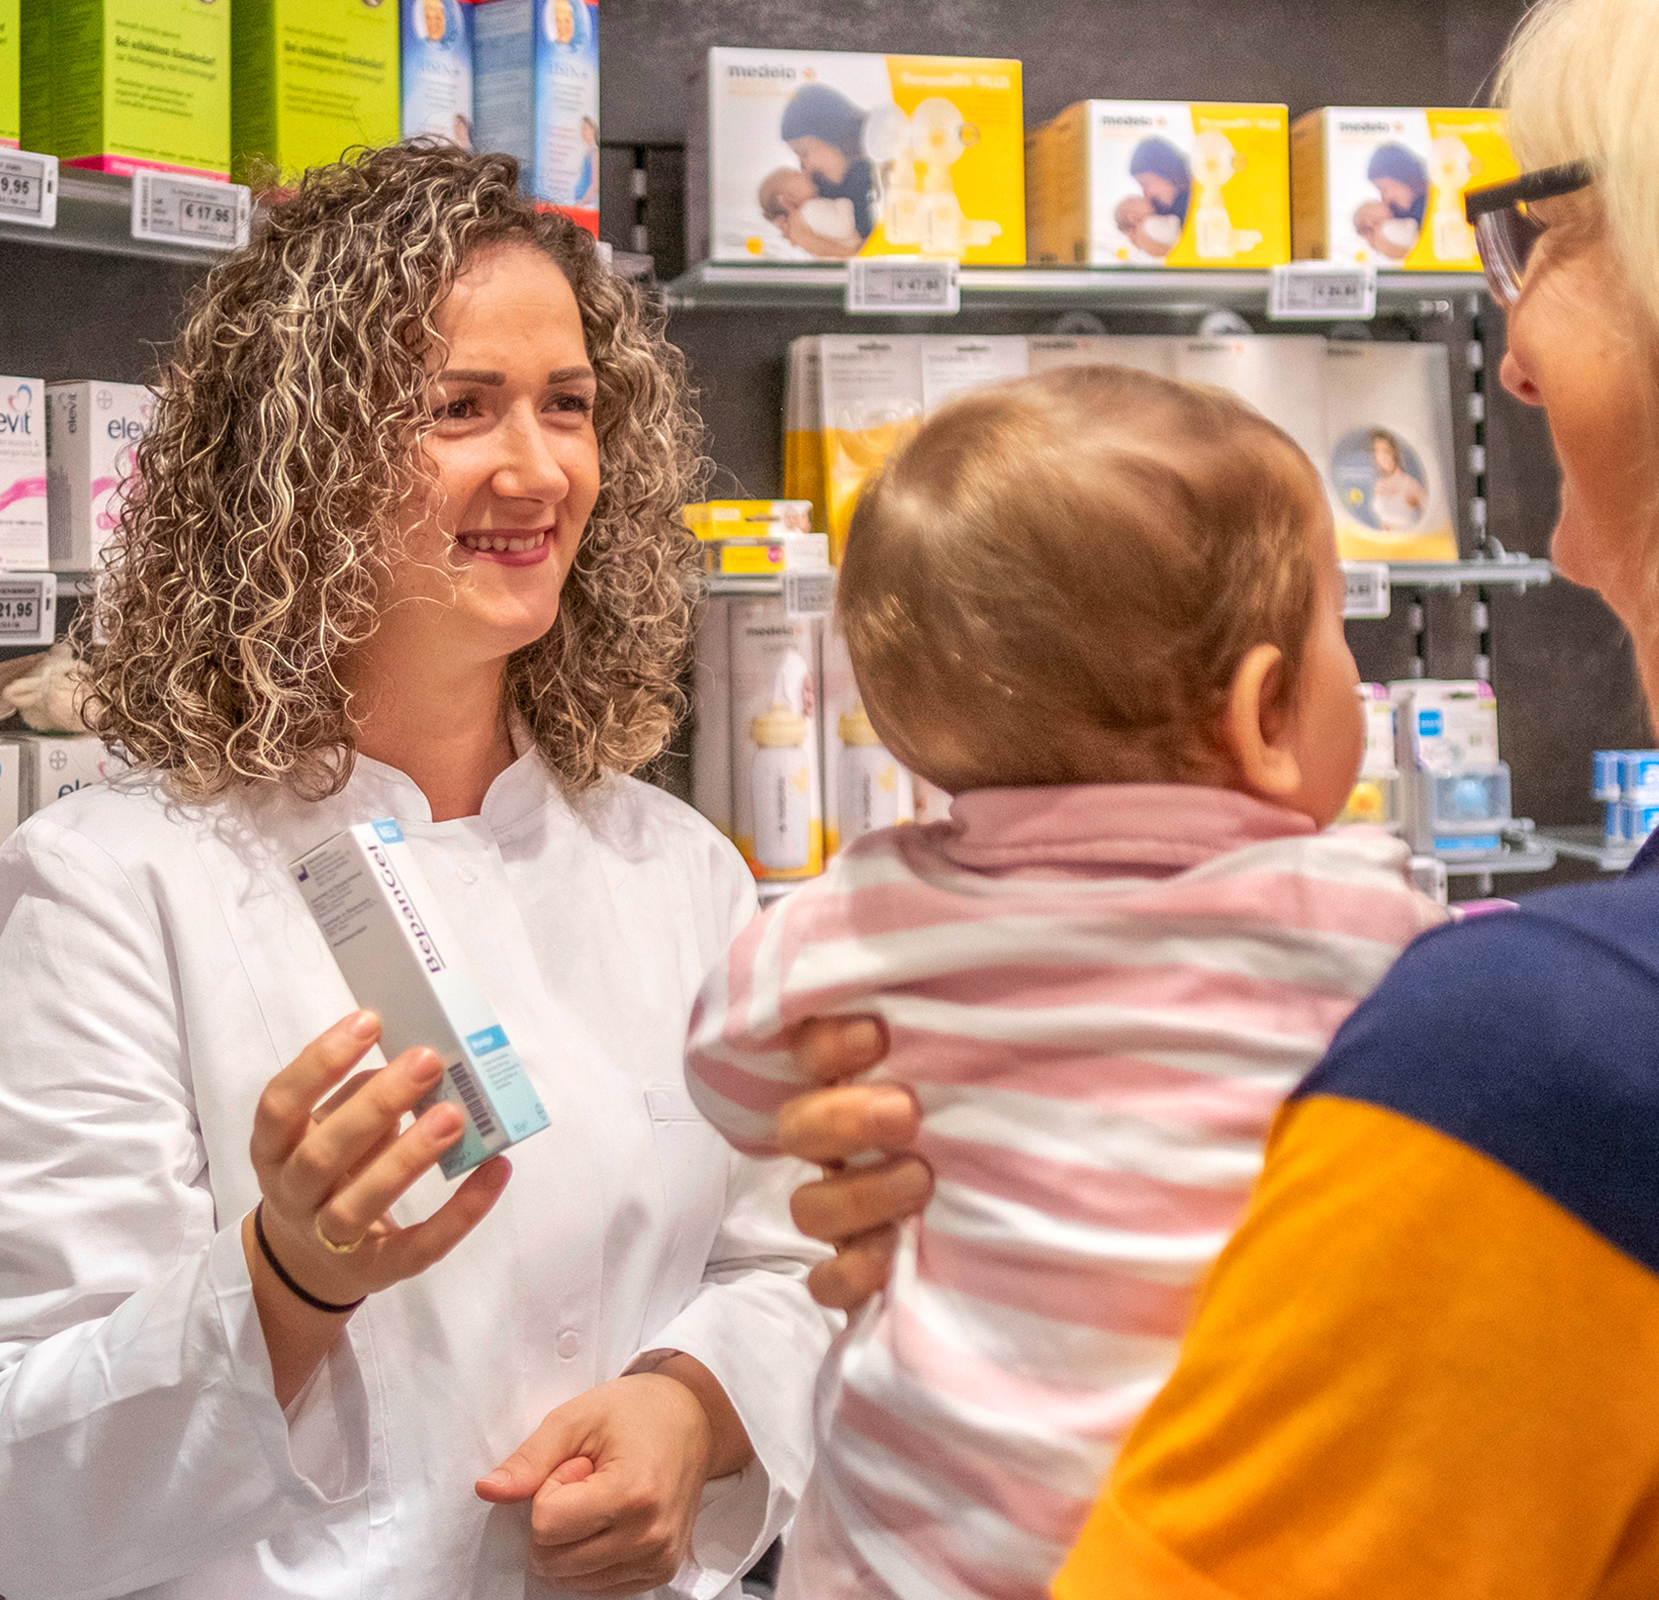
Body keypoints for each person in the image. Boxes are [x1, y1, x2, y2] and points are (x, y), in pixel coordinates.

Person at [771, 0, 1659, 1592]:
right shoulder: (1433, 969)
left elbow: (745, 1055)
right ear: (1263, 715)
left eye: (1544, 235)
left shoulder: (1529, 1055)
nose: (1506, 355)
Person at [0, 144, 833, 1600]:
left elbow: (783, 1272)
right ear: (300, 457)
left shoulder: (676, 870)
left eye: (566, 406)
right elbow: (33, 1490)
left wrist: (687, 1415)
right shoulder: (111, 883)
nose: (535, 470)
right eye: (455, 410)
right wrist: (291, 1277)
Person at [685, 366, 1445, 1600]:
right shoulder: (1354, 915)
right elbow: (1500, 1025)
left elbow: (725, 1062)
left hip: (921, 1542)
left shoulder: (868, 916)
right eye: (1336, 630)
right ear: (1265, 712)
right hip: (1231, 1523)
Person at [780, 82, 875, 256]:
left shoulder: (890, 173)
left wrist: (815, 243)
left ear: (831, 133)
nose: (805, 168)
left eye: (804, 153)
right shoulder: (828, 191)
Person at [1367, 428, 1427, 530]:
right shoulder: (1378, 485)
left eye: (1386, 451)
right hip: (1384, 543)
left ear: (1394, 453)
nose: (1382, 458)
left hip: (1407, 542)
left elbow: (1434, 515)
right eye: (1377, 452)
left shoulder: (1409, 484)